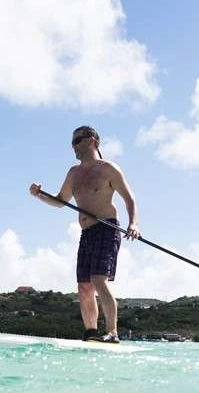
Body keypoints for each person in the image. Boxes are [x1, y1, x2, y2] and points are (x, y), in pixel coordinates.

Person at [29, 125, 140, 343]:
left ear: (92, 140)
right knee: (84, 286)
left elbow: (129, 198)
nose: (73, 147)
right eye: (71, 143)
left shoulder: (109, 169)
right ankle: (90, 333)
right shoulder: (74, 173)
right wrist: (40, 195)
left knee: (98, 280)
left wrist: (133, 224)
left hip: (107, 228)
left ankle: (112, 333)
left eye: (77, 141)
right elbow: (61, 201)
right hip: (86, 233)